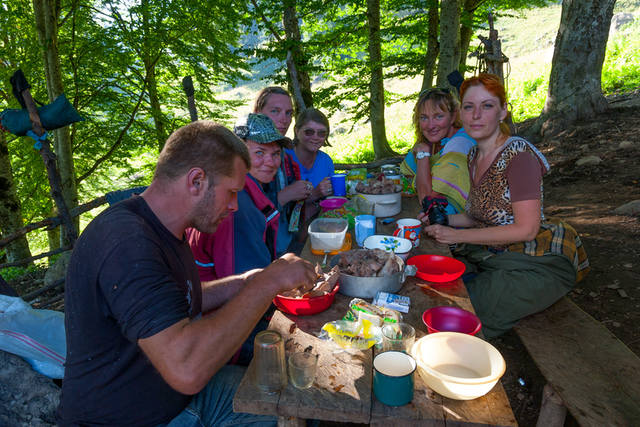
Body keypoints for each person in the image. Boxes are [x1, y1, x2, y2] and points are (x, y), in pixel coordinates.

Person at [58, 120, 317, 426]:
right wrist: (266, 283)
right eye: (231, 192)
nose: (235, 205)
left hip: (175, 399)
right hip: (137, 418)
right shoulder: (127, 243)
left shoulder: (165, 227)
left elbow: (174, 299)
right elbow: (187, 371)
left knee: (303, 400)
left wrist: (245, 281)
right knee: (295, 407)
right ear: (196, 181)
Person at [420, 73, 590, 339]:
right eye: (469, 107)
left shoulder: (519, 156)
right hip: (496, 253)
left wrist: (456, 236)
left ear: (502, 112)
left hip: (539, 261)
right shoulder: (474, 155)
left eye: (487, 106)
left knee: (463, 313)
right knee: (437, 287)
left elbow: (526, 229)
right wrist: (442, 220)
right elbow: (479, 216)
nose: (476, 115)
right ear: (461, 115)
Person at [187, 113, 312, 280]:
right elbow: (247, 282)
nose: (271, 162)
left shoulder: (238, 186)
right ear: (237, 154)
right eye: (259, 152)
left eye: (276, 154)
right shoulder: (236, 204)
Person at [400, 87, 476, 215]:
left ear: (453, 116)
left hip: (464, 221)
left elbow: (426, 200)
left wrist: (423, 156)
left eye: (439, 116)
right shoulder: (435, 140)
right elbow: (406, 176)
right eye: (424, 118)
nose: (430, 125)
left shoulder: (459, 144)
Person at [253, 87, 310, 255]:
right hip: (263, 254)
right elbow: (244, 214)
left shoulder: (285, 154)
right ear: (257, 113)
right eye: (275, 111)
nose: (284, 120)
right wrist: (286, 195)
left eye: (288, 113)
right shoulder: (247, 156)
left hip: (285, 243)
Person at [286, 108, 334, 207]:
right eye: (309, 132)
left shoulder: (326, 161)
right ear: (297, 131)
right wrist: (315, 194)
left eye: (321, 133)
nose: (315, 137)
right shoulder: (283, 158)